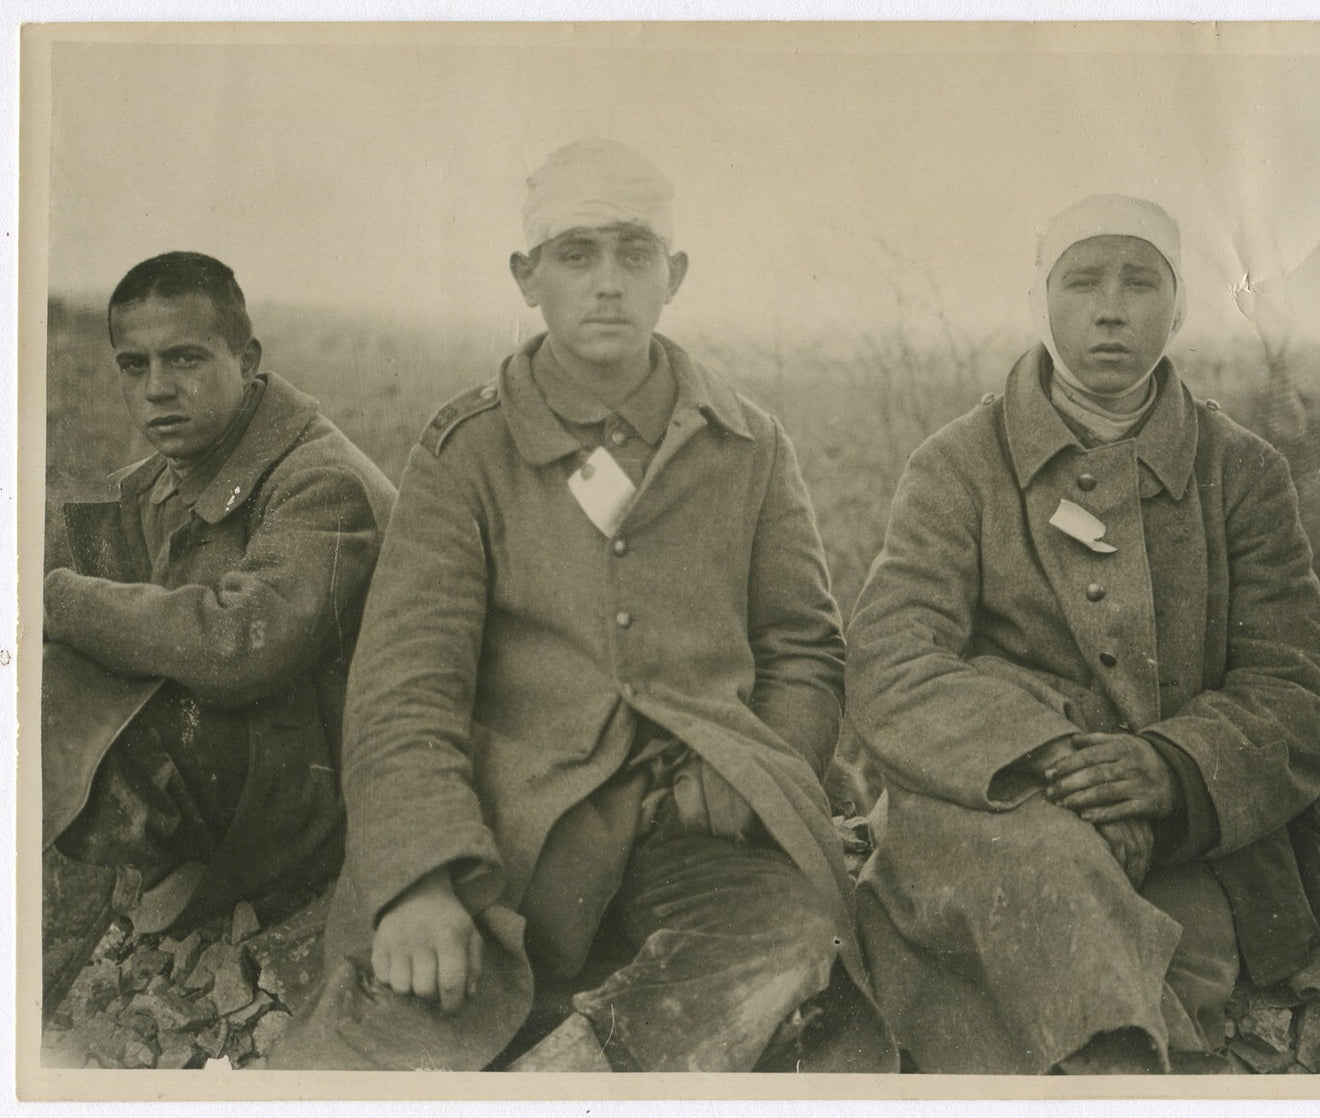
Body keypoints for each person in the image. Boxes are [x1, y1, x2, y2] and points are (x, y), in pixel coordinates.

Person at [277, 139, 894, 1073]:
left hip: (692, 824)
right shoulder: (465, 453)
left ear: (673, 275)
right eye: (576, 254)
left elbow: (804, 647)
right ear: (528, 278)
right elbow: (405, 688)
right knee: (398, 1025)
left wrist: (753, 775)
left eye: (634, 253)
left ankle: (577, 1077)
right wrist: (418, 878)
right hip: (516, 827)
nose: (607, 282)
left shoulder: (748, 445)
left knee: (792, 935)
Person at [844, 196, 1320, 1074]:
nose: (1110, 307)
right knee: (1042, 912)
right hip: (1005, 805)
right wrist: (1052, 757)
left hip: (1197, 827)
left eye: (1140, 283)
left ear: (1177, 309)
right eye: (1080, 281)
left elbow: (1302, 686)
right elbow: (890, 661)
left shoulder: (1241, 471)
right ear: (1041, 301)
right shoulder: (955, 465)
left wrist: (1169, 770)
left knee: (1187, 954)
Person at [43, 252, 397, 936]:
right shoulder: (158, 480)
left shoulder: (320, 483)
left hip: (334, 799)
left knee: (49, 695)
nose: (157, 389)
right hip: (259, 760)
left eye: (186, 360)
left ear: (246, 358)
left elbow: (240, 650)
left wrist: (59, 601)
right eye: (134, 365)